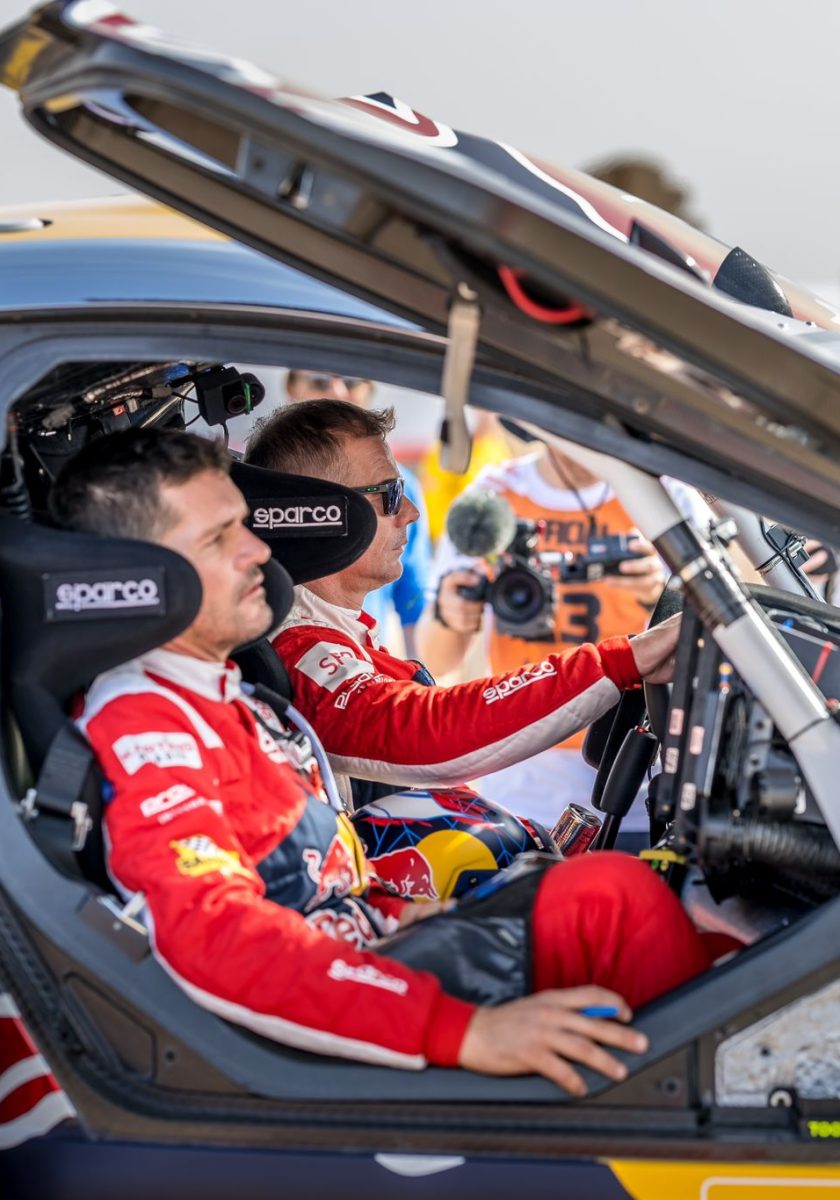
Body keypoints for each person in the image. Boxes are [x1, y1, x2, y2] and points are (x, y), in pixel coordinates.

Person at [51, 426, 712, 1093]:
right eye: (220, 538)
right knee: (615, 904)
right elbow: (216, 935)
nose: (259, 549)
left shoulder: (222, 693)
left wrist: (395, 913)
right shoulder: (144, 725)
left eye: (244, 526)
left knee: (621, 898)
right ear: (141, 577)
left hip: (366, 944)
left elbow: (310, 879)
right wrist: (463, 1030)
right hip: (307, 1030)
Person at [245, 400, 681, 813]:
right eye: (390, 495)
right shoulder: (297, 646)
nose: (411, 512)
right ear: (320, 513)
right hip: (531, 785)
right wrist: (621, 660)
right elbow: (425, 731)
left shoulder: (340, 629)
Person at [415, 443, 710, 836]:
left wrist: (666, 596)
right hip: (518, 781)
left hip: (638, 778)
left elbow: (726, 622)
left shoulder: (666, 493)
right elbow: (436, 659)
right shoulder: (492, 497)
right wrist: (452, 614)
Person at [283, 371, 432, 657]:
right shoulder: (253, 489)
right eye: (319, 381)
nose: (338, 392)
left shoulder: (405, 486)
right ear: (292, 388)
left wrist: (416, 677)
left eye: (351, 382)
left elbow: (413, 607)